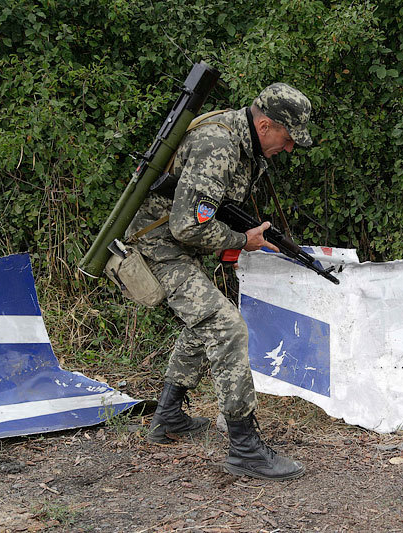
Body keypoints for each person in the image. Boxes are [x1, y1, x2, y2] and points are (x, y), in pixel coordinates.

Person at [125, 83, 312, 480]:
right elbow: (187, 226)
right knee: (225, 326)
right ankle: (245, 448)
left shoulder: (246, 146)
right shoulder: (219, 145)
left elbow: (213, 212)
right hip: (158, 246)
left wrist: (244, 238)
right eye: (288, 137)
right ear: (265, 125)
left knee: (206, 321)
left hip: (176, 244)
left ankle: (169, 416)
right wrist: (244, 241)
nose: (290, 148)